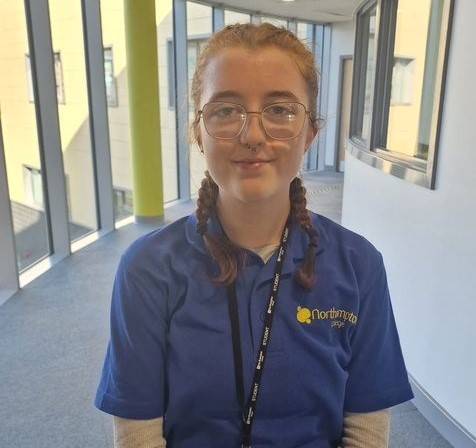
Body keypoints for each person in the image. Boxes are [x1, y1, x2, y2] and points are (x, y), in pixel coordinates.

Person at [94, 23, 414, 448]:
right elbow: (138, 434)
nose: (252, 135)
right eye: (225, 111)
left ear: (310, 135)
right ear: (198, 134)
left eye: (280, 110)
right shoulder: (148, 269)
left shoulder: (359, 266)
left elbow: (366, 432)